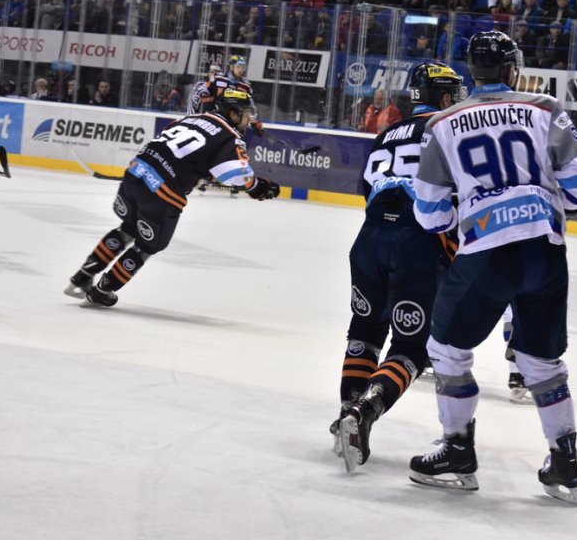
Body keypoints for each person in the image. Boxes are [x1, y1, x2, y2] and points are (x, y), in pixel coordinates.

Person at [409, 31, 577, 505]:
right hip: (545, 250)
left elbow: (429, 212)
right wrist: (550, 202)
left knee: (446, 348)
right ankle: (565, 464)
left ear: (472, 71)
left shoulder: (442, 122)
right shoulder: (544, 107)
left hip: (487, 251)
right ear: (513, 68)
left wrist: (462, 215)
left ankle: (457, 451)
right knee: (540, 361)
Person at [334, 63, 464, 472]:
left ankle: (346, 412)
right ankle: (364, 412)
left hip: (369, 239)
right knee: (411, 347)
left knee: (365, 329)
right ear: (444, 97)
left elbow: (368, 189)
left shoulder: (386, 133)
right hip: (417, 245)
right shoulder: (451, 130)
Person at [64, 89, 281, 307]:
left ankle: (82, 276)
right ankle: (102, 290)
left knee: (127, 229)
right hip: (161, 193)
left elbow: (168, 144)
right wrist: (258, 187)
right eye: (247, 114)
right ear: (233, 114)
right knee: (147, 246)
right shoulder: (230, 137)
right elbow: (236, 176)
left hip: (135, 173)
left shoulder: (192, 118)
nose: (249, 120)